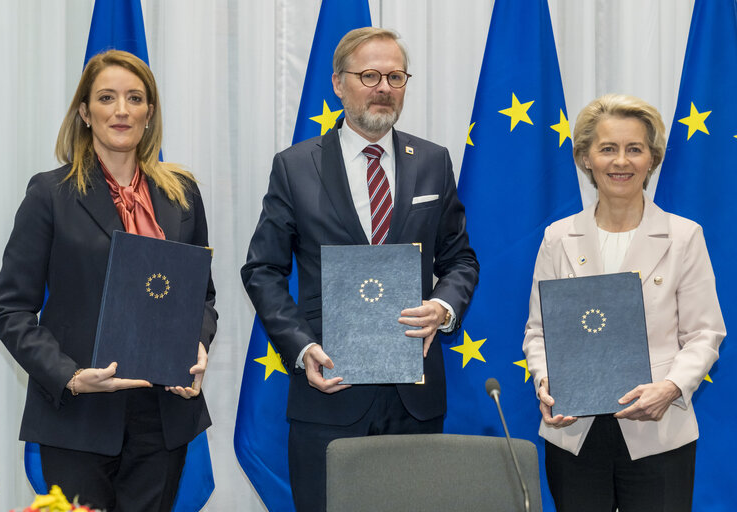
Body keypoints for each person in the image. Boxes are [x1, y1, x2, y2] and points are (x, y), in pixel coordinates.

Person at [241, 27, 479, 511]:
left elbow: (459, 260)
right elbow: (263, 268)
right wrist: (301, 345)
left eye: (395, 76)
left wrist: (443, 308)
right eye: (369, 75)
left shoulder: (433, 161)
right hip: (328, 390)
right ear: (338, 83)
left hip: (414, 395)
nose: (384, 87)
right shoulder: (295, 166)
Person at [0, 50, 217, 511]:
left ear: (149, 114)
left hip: (164, 414)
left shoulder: (182, 195)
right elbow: (11, 310)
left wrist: (197, 345)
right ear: (84, 112)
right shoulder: (49, 194)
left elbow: (202, 296)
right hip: (79, 415)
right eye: (107, 98)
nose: (121, 110)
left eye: (135, 99)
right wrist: (70, 376)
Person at [522, 94, 725, 512]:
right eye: (608, 149)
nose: (621, 161)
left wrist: (670, 389)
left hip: (659, 430)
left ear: (652, 159)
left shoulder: (684, 236)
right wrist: (547, 383)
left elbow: (705, 333)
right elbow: (538, 332)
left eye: (635, 149)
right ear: (585, 158)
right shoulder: (558, 238)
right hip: (574, 432)